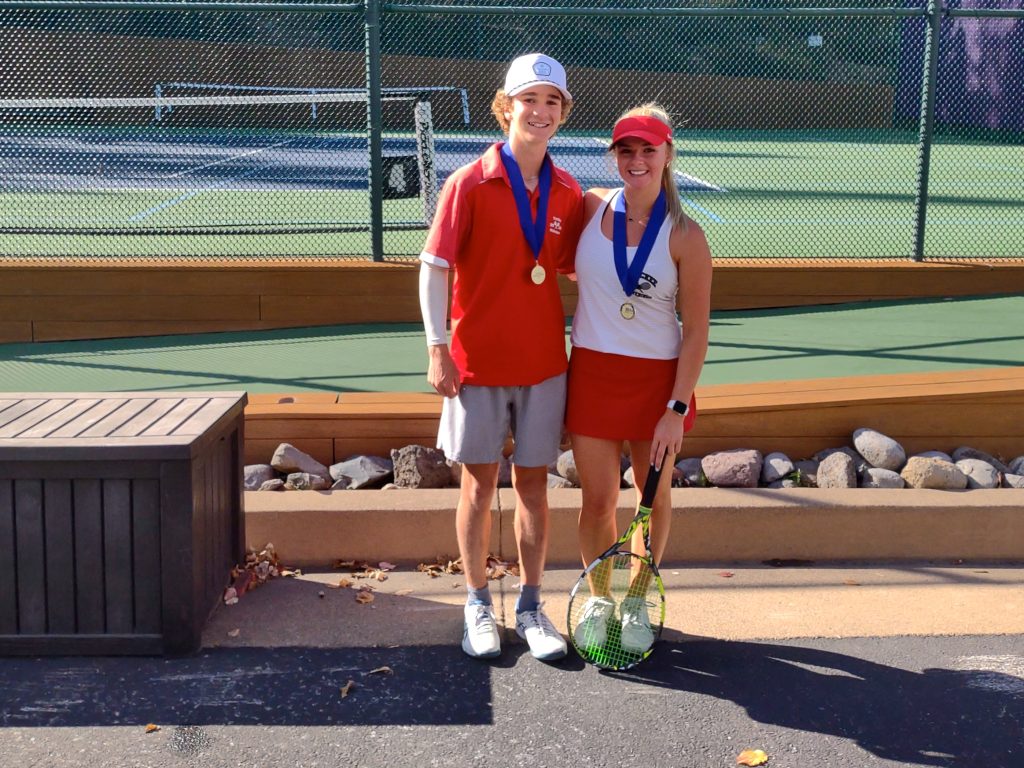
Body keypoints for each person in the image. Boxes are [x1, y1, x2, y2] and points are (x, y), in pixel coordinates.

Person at [418, 53, 584, 661]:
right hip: (476, 366)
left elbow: (583, 268)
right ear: (505, 105)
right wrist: (438, 346)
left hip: (544, 367)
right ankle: (478, 603)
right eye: (529, 100)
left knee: (536, 490)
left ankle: (534, 605)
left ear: (563, 113)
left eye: (551, 102)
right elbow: (434, 269)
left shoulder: (568, 192)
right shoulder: (468, 182)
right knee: (477, 490)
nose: (540, 112)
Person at [566, 103, 713, 653]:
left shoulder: (686, 237)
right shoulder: (589, 208)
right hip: (592, 374)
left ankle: (637, 600)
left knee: (652, 498)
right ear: (614, 157)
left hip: (658, 385)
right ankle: (601, 598)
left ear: (667, 155)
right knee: (598, 501)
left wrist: (675, 409)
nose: (636, 160)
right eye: (625, 150)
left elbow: (696, 331)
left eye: (647, 149)